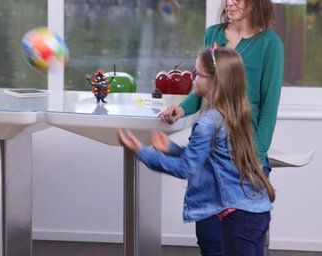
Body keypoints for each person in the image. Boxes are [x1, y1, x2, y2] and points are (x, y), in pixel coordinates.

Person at [158, 0, 284, 256]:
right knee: (209, 236)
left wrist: (257, 160)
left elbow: (268, 108)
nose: (229, 3)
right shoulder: (213, 34)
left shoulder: (270, 45)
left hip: (244, 153)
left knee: (241, 237)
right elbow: (201, 89)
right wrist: (182, 109)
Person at [118, 47, 276, 256]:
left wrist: (141, 151)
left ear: (215, 81)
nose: (192, 79)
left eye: (196, 74)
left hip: (238, 218)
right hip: (257, 211)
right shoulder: (235, 115)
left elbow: (187, 168)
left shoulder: (208, 122)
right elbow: (209, 158)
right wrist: (170, 149)